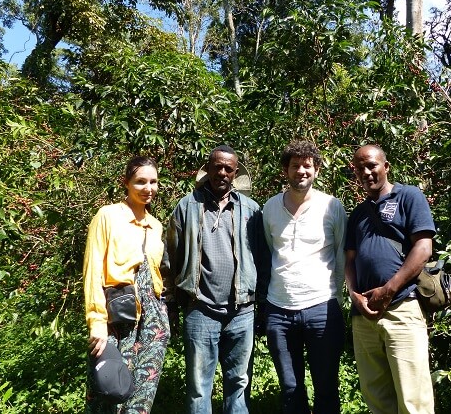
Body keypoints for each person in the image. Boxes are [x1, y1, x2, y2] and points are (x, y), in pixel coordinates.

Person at [162, 145, 266, 414]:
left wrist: (263, 304)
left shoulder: (251, 210)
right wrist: (171, 299)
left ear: (235, 172)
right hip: (200, 309)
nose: (222, 172)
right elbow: (170, 256)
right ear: (207, 169)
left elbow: (263, 258)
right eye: (217, 167)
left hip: (242, 312)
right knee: (199, 387)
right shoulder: (187, 206)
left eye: (228, 168)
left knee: (239, 384)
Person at [344, 145, 436, 414]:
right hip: (364, 316)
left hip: (402, 307)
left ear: (386, 166)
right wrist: (353, 294)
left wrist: (388, 290)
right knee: (376, 397)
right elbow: (349, 260)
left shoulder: (409, 196)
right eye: (359, 168)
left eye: (371, 165)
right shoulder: (358, 214)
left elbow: (423, 248)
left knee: (413, 399)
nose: (366, 172)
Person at [260, 141, 347, 414]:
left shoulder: (332, 206)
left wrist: (338, 298)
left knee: (326, 388)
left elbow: (341, 254)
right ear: (285, 170)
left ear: (316, 170)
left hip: (322, 308)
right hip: (279, 310)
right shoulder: (270, 208)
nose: (301, 171)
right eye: (295, 165)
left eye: (307, 165)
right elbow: (271, 251)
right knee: (290, 389)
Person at [83, 156, 170, 413]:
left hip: (152, 321)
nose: (148, 188)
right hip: (117, 318)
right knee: (108, 392)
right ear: (126, 183)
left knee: (142, 397)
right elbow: (92, 271)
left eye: (153, 182)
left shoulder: (155, 226)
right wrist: (97, 323)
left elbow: (156, 275)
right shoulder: (108, 216)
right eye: (140, 182)